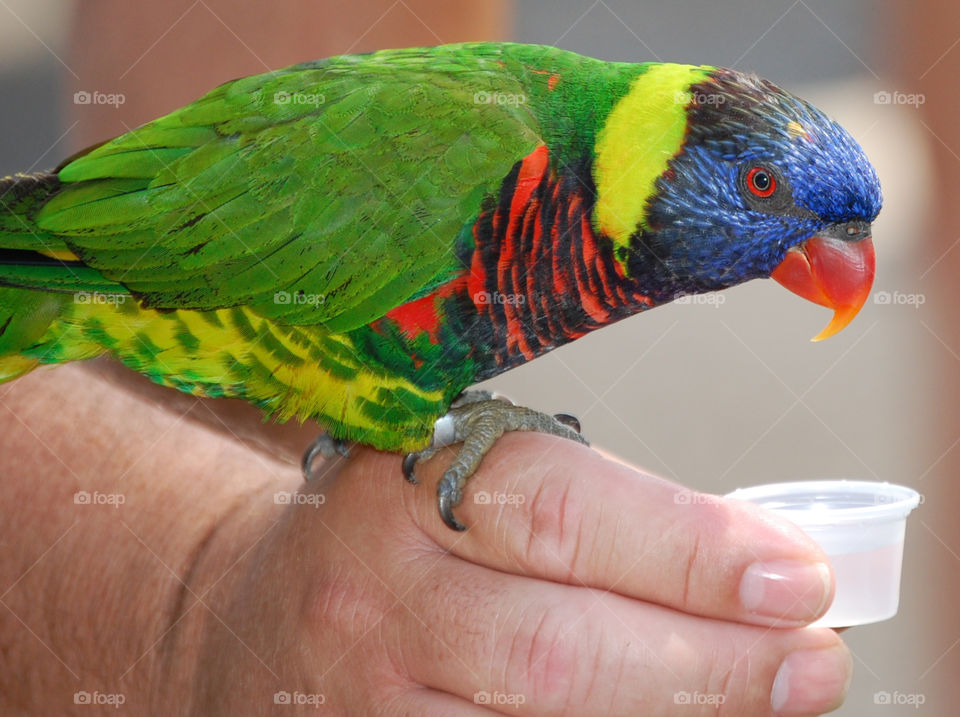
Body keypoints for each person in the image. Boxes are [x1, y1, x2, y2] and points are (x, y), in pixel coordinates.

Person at [0, 2, 851, 714]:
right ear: (663, 152)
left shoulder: (575, 225)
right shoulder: (495, 158)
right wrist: (428, 424)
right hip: (110, 278)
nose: (832, 258)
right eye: (762, 191)